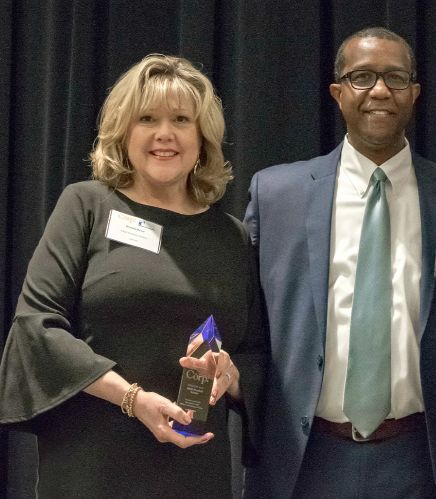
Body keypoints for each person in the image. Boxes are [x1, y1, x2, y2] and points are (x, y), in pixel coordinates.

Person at [0, 54, 265, 498]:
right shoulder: (86, 205)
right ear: (124, 132)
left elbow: (255, 352)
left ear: (203, 137)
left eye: (181, 119)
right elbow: (36, 326)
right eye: (147, 119)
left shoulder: (231, 236)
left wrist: (230, 375)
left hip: (194, 469)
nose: (165, 134)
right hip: (91, 464)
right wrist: (132, 399)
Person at [244, 27, 436, 498]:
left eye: (395, 78)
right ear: (338, 93)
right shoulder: (277, 195)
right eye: (362, 77)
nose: (380, 91)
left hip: (426, 460)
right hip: (306, 458)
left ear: (415, 93)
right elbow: (250, 329)